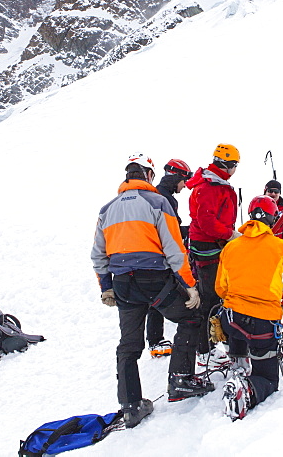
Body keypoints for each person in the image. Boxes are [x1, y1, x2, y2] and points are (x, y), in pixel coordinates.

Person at [91, 153, 214, 429]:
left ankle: (130, 405)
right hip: (154, 279)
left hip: (123, 283)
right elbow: (174, 249)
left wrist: (106, 287)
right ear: (148, 175)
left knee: (129, 344)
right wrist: (190, 286)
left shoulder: (106, 210)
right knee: (190, 318)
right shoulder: (157, 203)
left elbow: (98, 255)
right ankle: (181, 379)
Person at [216, 195, 283, 419]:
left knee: (238, 326)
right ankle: (246, 391)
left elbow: (220, 289)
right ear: (273, 220)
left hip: (232, 320)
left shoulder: (231, 247)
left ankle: (238, 362)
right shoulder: (280, 247)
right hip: (262, 325)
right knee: (269, 379)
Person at [186, 144, 240, 368]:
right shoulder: (211, 186)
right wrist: (229, 235)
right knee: (211, 298)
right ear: (229, 165)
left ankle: (208, 345)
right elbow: (207, 220)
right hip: (209, 248)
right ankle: (204, 350)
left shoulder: (212, 183)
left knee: (213, 296)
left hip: (209, 245)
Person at [145, 158, 194, 359]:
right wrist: (192, 231)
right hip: (161, 255)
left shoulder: (156, 195)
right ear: (176, 177)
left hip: (151, 254)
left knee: (154, 297)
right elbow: (169, 232)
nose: (184, 186)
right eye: (184, 181)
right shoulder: (164, 198)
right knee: (160, 295)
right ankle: (156, 340)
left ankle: (155, 339)